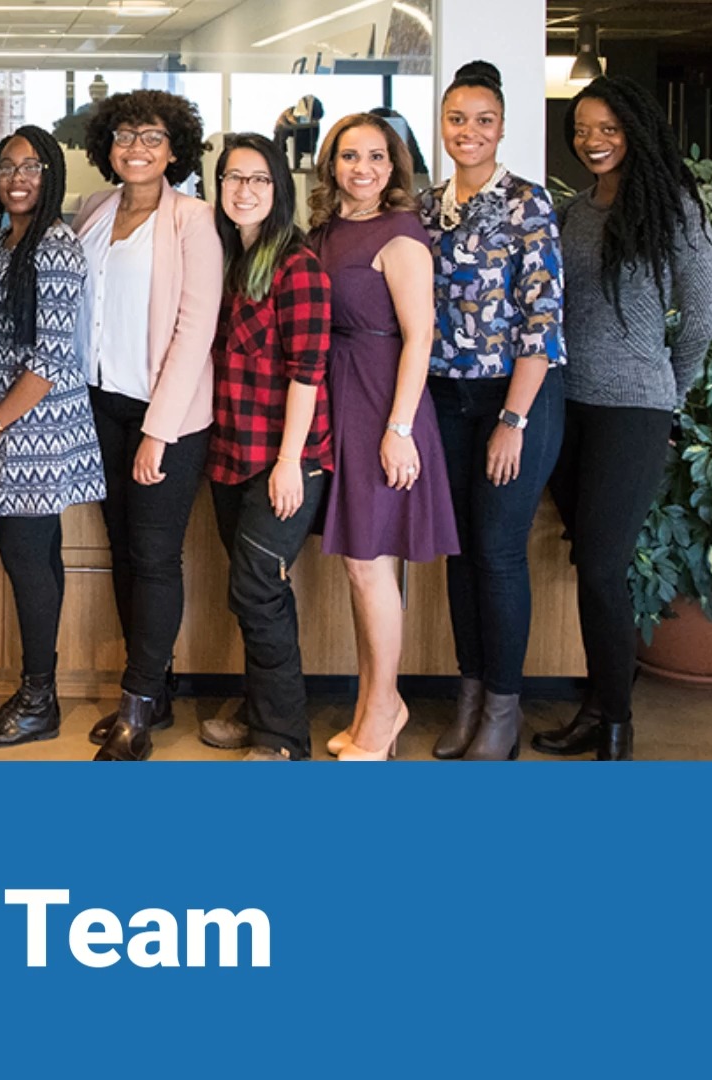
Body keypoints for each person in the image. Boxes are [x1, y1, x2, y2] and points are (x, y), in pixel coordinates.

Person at [536, 76, 712, 762]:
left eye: (608, 128)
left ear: (636, 130)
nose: (593, 141)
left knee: (605, 565)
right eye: (583, 128)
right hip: (564, 405)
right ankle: (597, 707)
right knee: (590, 559)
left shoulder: (676, 209)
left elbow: (700, 322)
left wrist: (671, 399)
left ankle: (614, 720)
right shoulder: (573, 211)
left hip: (634, 408)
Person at [413, 60, 566, 762]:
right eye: (456, 119)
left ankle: (504, 710)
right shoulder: (426, 206)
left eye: (482, 120)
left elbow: (542, 318)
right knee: (461, 553)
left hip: (515, 397)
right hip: (445, 396)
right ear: (441, 125)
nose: (468, 131)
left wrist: (513, 420)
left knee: (500, 553)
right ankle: (469, 696)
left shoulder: (527, 203)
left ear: (502, 127)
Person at [71, 90, 221, 762]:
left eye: (152, 137)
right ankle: (152, 687)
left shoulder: (193, 219)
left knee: (156, 557)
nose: (136, 148)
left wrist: (160, 430)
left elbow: (196, 328)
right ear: (108, 145)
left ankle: (136, 708)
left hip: (170, 416)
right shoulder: (93, 212)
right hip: (101, 405)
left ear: (174, 149)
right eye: (125, 135)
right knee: (123, 550)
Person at [309, 113, 460, 761]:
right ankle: (377, 704)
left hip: (380, 403)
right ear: (331, 164)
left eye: (376, 157)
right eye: (349, 156)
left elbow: (419, 336)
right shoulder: (325, 231)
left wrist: (399, 429)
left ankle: (382, 711)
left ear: (394, 166)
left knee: (373, 566)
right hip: (336, 398)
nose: (362, 169)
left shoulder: (402, 233)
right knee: (358, 566)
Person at [0, 125, 102, 748]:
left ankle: (39, 699)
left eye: (32, 166)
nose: (17, 178)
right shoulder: (2, 241)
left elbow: (50, 358)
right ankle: (36, 692)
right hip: (4, 419)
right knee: (34, 558)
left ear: (52, 176)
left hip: (36, 429)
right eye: (6, 166)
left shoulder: (55, 247)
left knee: (28, 561)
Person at [203, 132, 333, 761]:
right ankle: (261, 710)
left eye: (258, 179)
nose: (244, 190)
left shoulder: (297, 266)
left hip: (287, 459)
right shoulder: (228, 260)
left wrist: (289, 463)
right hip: (230, 451)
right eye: (233, 178)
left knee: (258, 588)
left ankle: (283, 738)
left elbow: (307, 372)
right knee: (248, 587)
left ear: (279, 189)